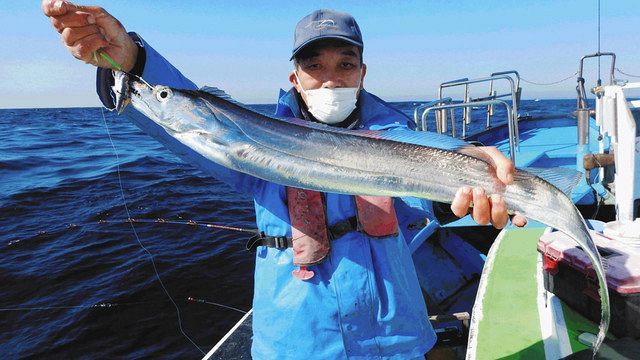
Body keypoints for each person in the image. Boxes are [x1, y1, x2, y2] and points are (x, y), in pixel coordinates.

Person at [43, 2, 527, 358]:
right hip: (296, 340)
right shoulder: (254, 146)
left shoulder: (393, 136)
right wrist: (130, 62)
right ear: (294, 78)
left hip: (394, 335)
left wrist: (468, 166)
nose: (330, 79)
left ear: (363, 72)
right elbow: (192, 121)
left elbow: (429, 166)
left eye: (345, 65)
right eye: (314, 66)